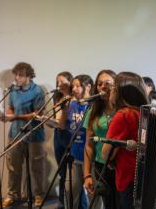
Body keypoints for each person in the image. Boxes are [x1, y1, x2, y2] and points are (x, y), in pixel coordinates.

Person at [0, 62, 46, 207]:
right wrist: (8, 116)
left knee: (36, 166)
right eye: (16, 74)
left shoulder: (38, 91)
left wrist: (14, 117)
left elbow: (37, 115)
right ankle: (13, 195)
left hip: (34, 135)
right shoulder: (12, 91)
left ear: (28, 76)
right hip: (15, 134)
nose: (16, 78)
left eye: (20, 75)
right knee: (13, 166)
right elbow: (12, 108)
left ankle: (39, 195)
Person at [102, 72, 149, 209]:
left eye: (113, 88)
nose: (110, 91)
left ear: (119, 92)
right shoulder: (143, 114)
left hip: (128, 179)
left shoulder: (123, 115)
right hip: (142, 178)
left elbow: (106, 154)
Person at [83, 69, 119, 209]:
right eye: (99, 84)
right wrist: (86, 175)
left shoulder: (122, 110)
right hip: (100, 167)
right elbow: (89, 145)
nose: (103, 86)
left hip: (119, 166)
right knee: (108, 204)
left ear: (116, 86)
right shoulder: (93, 111)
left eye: (107, 83)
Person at [59, 74, 94, 209]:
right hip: (75, 155)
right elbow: (62, 126)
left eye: (77, 86)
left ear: (88, 87)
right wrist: (64, 111)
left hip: (90, 158)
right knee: (70, 191)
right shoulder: (72, 104)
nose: (73, 89)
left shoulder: (93, 106)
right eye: (73, 86)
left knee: (92, 195)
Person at [53, 71, 73, 209]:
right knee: (61, 170)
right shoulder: (56, 97)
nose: (59, 84)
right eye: (57, 81)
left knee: (70, 171)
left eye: (62, 81)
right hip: (57, 134)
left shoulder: (74, 98)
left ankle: (71, 201)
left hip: (69, 134)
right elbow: (58, 118)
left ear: (70, 82)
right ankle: (61, 202)